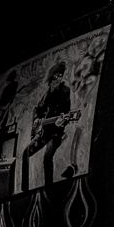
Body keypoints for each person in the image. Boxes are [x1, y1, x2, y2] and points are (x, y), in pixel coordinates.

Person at [21, 62, 77, 192]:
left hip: (56, 133)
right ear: (51, 78)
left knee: (47, 157)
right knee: (25, 153)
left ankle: (49, 189)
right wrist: (36, 119)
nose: (59, 79)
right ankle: (25, 189)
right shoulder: (46, 94)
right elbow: (37, 109)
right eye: (56, 76)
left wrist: (61, 122)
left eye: (61, 76)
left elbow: (66, 113)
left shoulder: (65, 91)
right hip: (43, 133)